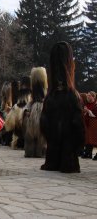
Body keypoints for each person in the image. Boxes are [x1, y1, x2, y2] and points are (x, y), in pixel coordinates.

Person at [40, 41, 85, 173]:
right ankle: (66, 161)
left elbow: (45, 124)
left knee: (56, 129)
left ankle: (54, 161)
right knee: (68, 131)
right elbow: (78, 125)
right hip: (65, 101)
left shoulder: (52, 96)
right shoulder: (71, 96)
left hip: (56, 99)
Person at [23, 67, 48, 158]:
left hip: (37, 110)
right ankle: (37, 151)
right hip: (36, 110)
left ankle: (36, 151)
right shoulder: (38, 91)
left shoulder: (42, 91)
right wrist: (26, 111)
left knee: (37, 132)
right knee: (36, 132)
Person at [81, 91, 97, 159]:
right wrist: (84, 112)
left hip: (94, 123)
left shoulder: (95, 104)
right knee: (88, 139)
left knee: (93, 139)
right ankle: (88, 152)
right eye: (87, 96)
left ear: (93, 96)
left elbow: (95, 115)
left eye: (89, 96)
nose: (88, 97)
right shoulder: (86, 104)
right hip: (87, 124)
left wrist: (88, 111)